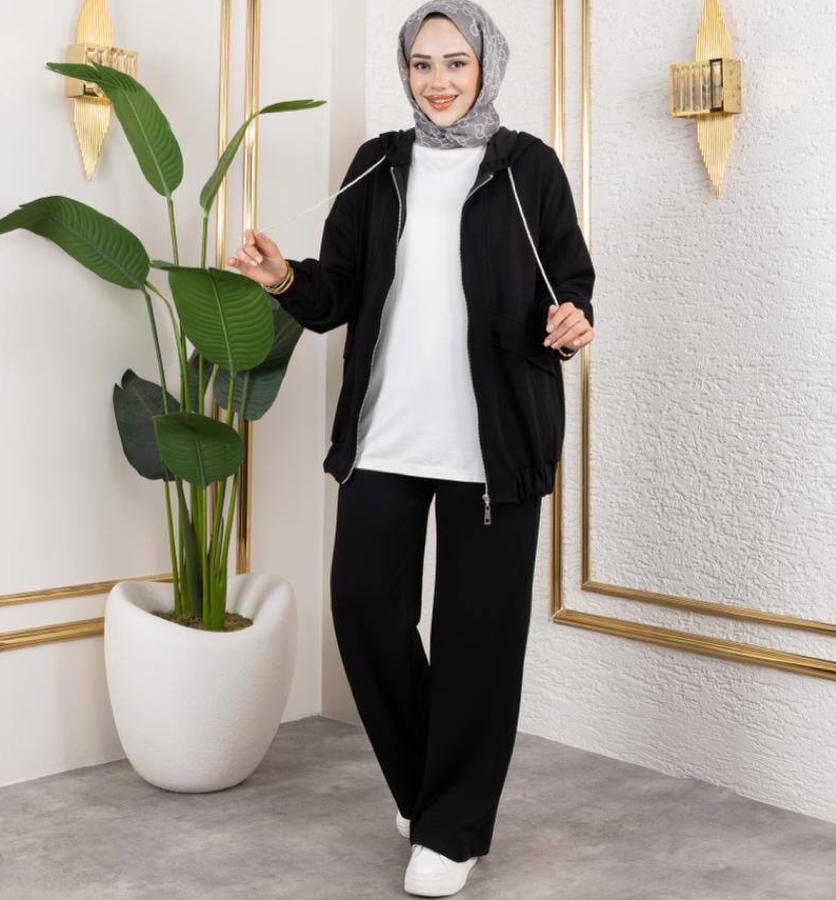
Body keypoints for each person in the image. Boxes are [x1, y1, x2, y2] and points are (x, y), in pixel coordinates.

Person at [227, 2, 595, 894]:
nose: (437, 81)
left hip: (493, 446)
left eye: (455, 62)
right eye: (421, 63)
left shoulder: (529, 168)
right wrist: (283, 278)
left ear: (486, 66)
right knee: (364, 610)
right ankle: (432, 790)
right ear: (405, 70)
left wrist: (572, 319)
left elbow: (570, 279)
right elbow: (336, 295)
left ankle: (452, 831)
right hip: (386, 436)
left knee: (478, 642)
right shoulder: (378, 163)